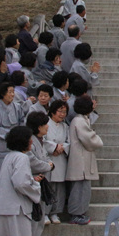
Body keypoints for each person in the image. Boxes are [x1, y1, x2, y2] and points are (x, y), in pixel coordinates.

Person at [0, 126, 42, 236]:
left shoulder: (9, 156)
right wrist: (35, 187)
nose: (32, 141)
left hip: (2, 208)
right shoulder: (22, 158)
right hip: (16, 210)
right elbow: (20, 183)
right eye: (29, 139)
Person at [67, 96, 103, 225]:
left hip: (81, 157)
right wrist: (98, 140)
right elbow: (89, 139)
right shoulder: (79, 121)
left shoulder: (80, 120)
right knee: (79, 189)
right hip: (80, 159)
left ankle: (79, 213)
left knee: (82, 188)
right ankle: (75, 214)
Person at [0, 82, 26, 177]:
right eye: (10, 92)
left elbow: (22, 122)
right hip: (2, 146)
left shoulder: (17, 107)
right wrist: (11, 135)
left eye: (13, 92)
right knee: (2, 176)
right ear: (3, 94)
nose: (12, 94)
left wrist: (18, 135)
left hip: (16, 145)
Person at [26, 112, 55, 233]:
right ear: (39, 127)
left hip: (41, 181)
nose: (48, 127)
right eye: (45, 124)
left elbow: (46, 156)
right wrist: (48, 166)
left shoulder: (40, 140)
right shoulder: (30, 141)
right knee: (34, 220)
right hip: (33, 180)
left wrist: (50, 164)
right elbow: (33, 161)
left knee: (39, 219)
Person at [45, 100, 70, 224]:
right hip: (48, 158)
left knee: (59, 189)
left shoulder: (65, 127)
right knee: (48, 187)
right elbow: (42, 140)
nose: (62, 114)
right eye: (60, 111)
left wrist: (61, 148)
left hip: (60, 160)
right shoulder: (45, 124)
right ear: (53, 112)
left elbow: (69, 142)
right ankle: (45, 213)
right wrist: (54, 147)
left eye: (64, 112)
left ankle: (55, 212)